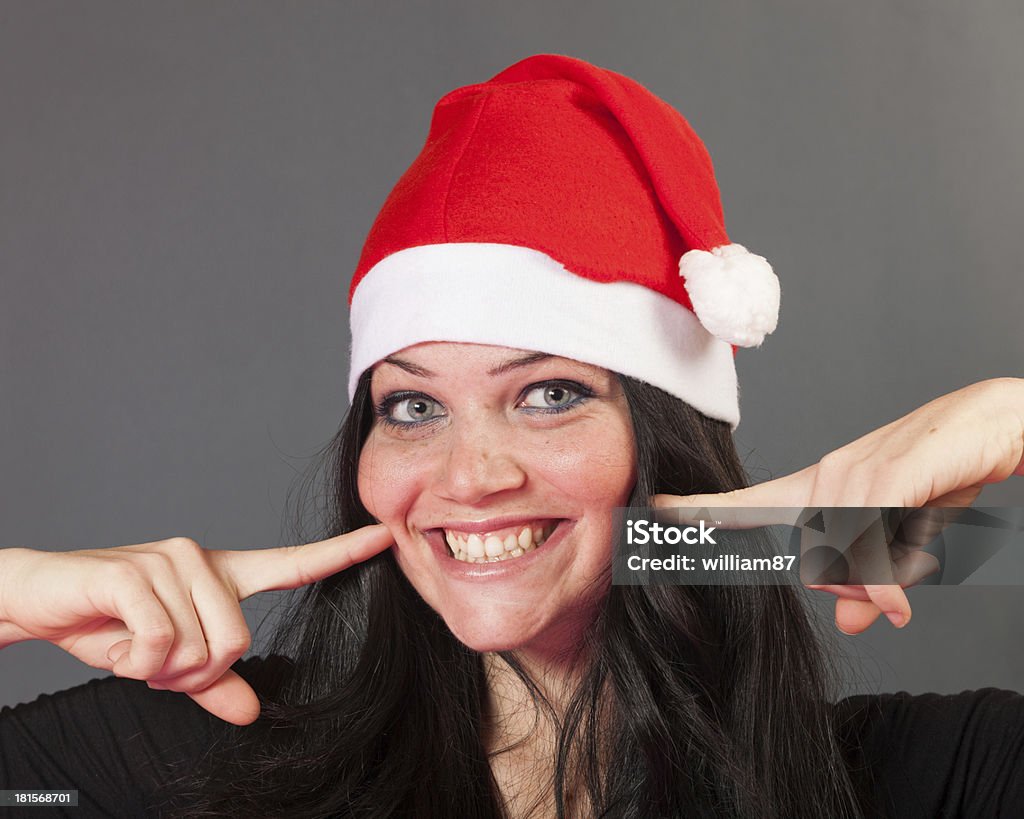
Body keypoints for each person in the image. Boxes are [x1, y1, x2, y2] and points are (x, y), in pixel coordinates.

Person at [1, 53, 1022, 818]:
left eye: (547, 395)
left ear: (667, 437)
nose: (469, 476)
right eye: (412, 406)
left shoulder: (912, 779)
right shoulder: (207, 757)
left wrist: (1003, 419)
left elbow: (946, 550)